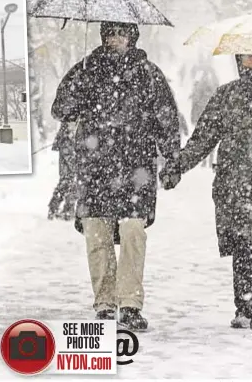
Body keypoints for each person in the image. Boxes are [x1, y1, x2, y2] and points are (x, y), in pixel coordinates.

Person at [162, 54, 252, 333]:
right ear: (239, 61)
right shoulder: (226, 96)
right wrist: (177, 167)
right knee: (243, 247)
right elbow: (203, 138)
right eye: (247, 58)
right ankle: (245, 308)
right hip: (234, 186)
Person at [51, 21, 181, 331]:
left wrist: (173, 158)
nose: (116, 39)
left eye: (122, 34)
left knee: (134, 233)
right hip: (94, 167)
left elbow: (167, 118)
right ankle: (105, 304)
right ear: (103, 36)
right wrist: (75, 92)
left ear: (132, 38)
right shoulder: (85, 69)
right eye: (111, 33)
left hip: (137, 168)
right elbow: (60, 108)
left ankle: (131, 304)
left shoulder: (149, 74)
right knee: (97, 234)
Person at [47, 121, 78, 220]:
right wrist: (76, 167)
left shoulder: (70, 135)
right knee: (67, 184)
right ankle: (58, 209)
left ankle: (66, 210)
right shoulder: (66, 138)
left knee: (71, 185)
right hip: (67, 166)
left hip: (70, 165)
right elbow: (67, 154)